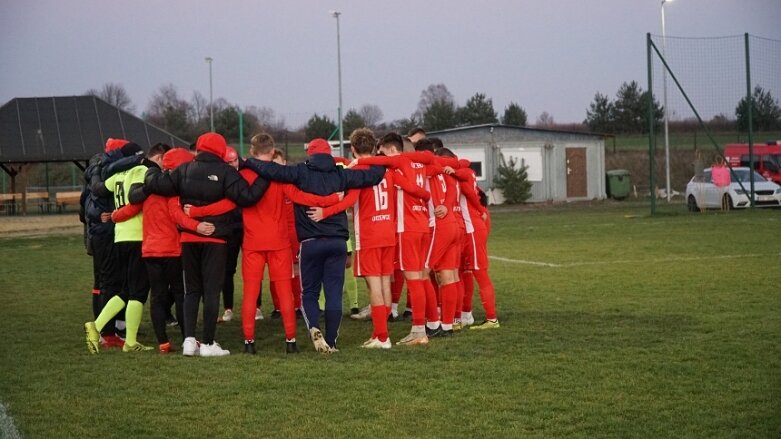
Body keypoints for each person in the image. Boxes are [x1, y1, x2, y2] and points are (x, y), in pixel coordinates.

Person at [188, 133, 340, 354]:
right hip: (279, 243)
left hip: (252, 243)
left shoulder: (242, 175)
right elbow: (302, 198)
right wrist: (332, 200)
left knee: (250, 293)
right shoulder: (279, 176)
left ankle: (249, 343)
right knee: (285, 292)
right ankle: (290, 342)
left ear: (251, 151)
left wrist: (196, 212)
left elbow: (227, 205)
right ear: (272, 151)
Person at [242, 138, 385, 352]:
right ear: (329, 153)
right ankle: (332, 341)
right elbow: (374, 176)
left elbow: (271, 170)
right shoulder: (341, 174)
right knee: (334, 293)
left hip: (310, 242)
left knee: (309, 292)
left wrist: (248, 162)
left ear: (310, 154)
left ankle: (314, 328)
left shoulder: (300, 172)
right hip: (337, 242)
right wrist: (384, 159)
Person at [141, 132, 270, 357]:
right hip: (216, 238)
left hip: (189, 238)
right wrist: (266, 175)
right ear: (220, 150)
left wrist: (150, 173)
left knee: (191, 291)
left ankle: (189, 341)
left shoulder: (184, 170)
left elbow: (159, 185)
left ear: (199, 148)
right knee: (211, 292)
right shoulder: (227, 172)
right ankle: (209, 343)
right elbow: (248, 197)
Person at [310, 128, 429, 348]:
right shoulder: (386, 169)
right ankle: (380, 334)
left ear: (353, 149)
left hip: (369, 234)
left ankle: (382, 337)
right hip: (388, 232)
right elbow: (408, 189)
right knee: (384, 283)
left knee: (374, 285)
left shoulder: (358, 171)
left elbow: (349, 200)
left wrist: (325, 211)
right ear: (374, 148)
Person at [349, 133, 433, 346]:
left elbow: (381, 163)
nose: (381, 155)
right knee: (420, 279)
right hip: (421, 225)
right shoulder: (418, 164)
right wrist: (423, 194)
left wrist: (358, 161)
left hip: (406, 229)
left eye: (383, 151)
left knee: (412, 281)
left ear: (393, 150)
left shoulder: (396, 165)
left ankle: (416, 331)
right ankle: (427, 325)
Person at [84, 142, 155, 353]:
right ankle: (103, 330)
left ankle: (107, 331)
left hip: (120, 236)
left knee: (125, 289)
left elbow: (98, 189)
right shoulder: (142, 171)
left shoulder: (117, 177)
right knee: (138, 291)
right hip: (139, 236)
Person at [79, 137, 132, 349]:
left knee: (105, 282)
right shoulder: (103, 172)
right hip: (105, 234)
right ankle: (106, 331)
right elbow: (89, 204)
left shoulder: (96, 170)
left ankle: (114, 328)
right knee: (109, 282)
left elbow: (83, 206)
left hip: (99, 234)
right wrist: (100, 215)